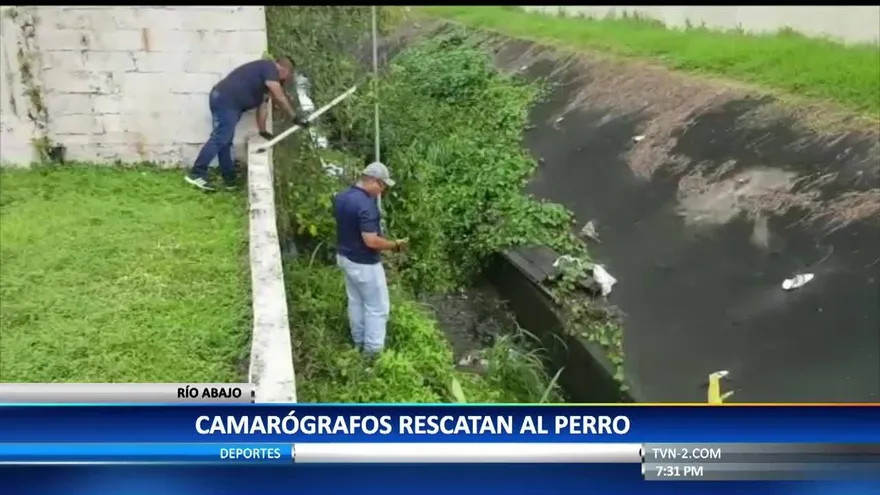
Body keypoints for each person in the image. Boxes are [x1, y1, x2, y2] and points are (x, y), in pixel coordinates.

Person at [185, 56, 310, 192]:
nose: (284, 80)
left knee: (225, 141)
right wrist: (295, 117)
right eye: (288, 76)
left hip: (227, 101)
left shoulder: (264, 83)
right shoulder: (269, 67)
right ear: (285, 70)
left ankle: (229, 179)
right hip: (226, 100)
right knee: (221, 137)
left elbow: (262, 108)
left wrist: (262, 131)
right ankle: (197, 173)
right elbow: (280, 97)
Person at [333, 162, 408, 359]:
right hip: (365, 264)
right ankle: (372, 354)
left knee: (356, 301)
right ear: (373, 181)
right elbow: (371, 241)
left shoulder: (342, 198)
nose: (382, 191)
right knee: (377, 308)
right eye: (382, 185)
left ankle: (358, 342)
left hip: (346, 258)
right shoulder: (367, 206)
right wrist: (395, 245)